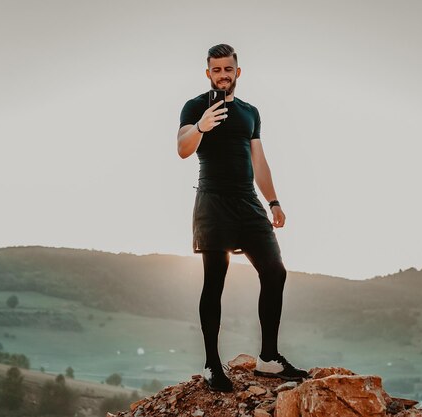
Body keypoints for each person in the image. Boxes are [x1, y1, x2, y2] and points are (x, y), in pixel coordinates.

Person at [177, 44, 309, 392]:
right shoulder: (194, 107)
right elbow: (182, 148)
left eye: (228, 69)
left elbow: (259, 162)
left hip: (248, 203)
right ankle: (210, 364)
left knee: (275, 271)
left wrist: (274, 201)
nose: (223, 74)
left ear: (238, 72)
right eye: (216, 69)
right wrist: (201, 126)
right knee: (215, 280)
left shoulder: (251, 112)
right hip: (213, 202)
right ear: (208, 73)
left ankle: (268, 358)